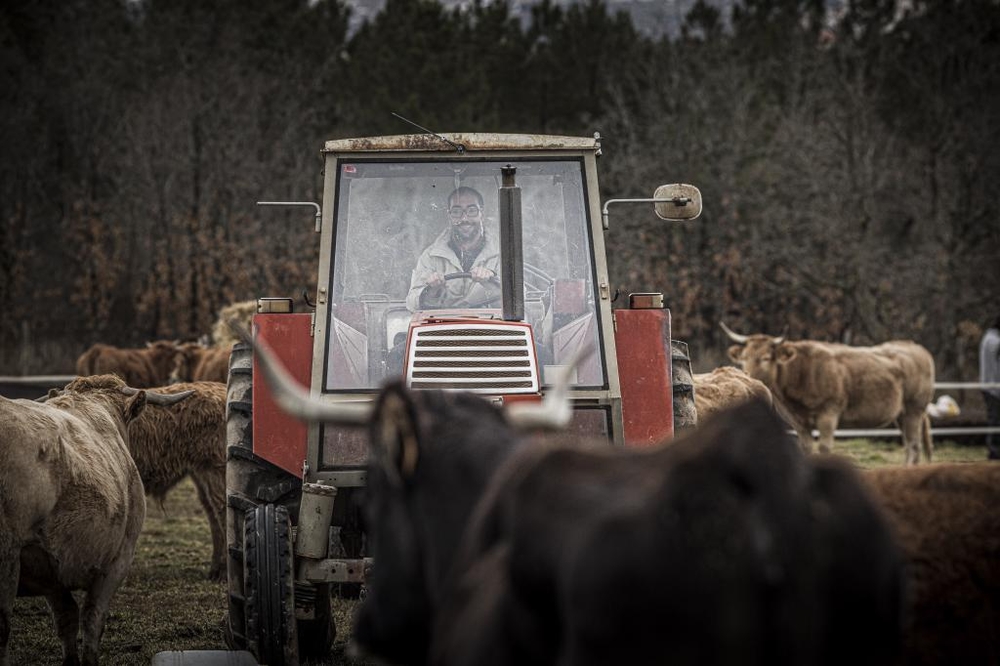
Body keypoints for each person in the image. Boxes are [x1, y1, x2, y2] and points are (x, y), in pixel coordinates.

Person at [406, 186, 502, 311]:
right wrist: (431, 290)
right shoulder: (430, 257)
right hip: (442, 327)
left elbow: (518, 301)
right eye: (457, 212)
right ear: (449, 215)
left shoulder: (503, 253)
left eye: (471, 210)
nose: (464, 219)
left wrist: (489, 282)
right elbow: (411, 304)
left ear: (481, 213)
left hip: (491, 328)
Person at [981, 314, 1000, 460]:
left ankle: (994, 450)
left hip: (989, 385)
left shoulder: (988, 338)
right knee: (995, 420)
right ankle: (994, 451)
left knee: (994, 419)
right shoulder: (994, 340)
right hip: (994, 387)